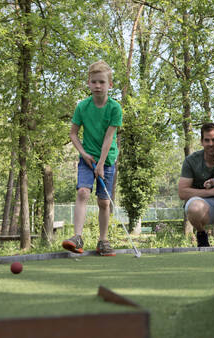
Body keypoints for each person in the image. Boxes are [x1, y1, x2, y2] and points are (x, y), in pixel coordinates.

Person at [62, 60, 122, 256]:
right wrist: (84, 154)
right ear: (88, 83)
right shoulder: (82, 107)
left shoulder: (115, 108)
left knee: (104, 202)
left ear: (110, 85)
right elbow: (73, 134)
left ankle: (103, 240)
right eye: (94, 82)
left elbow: (109, 138)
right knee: (82, 193)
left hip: (108, 159)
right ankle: (77, 237)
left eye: (102, 82)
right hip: (86, 158)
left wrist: (102, 163)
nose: (98, 86)